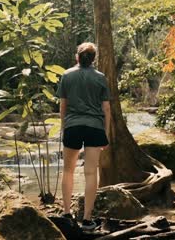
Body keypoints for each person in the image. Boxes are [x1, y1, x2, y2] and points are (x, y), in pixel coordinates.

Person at [56, 42, 111, 230]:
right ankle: (87, 220)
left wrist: (64, 127)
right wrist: (106, 133)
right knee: (90, 173)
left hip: (73, 126)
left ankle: (66, 213)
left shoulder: (66, 75)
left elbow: (62, 105)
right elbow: (106, 108)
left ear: (77, 57)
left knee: (68, 170)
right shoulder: (100, 78)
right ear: (93, 59)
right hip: (95, 127)